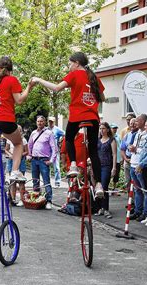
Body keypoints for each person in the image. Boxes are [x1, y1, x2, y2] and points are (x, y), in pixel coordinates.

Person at [32, 52, 105, 197]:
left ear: (77, 63)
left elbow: (56, 88)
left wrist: (39, 80)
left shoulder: (74, 75)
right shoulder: (94, 77)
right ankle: (98, 185)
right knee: (93, 151)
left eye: (70, 63)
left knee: (69, 138)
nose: (69, 66)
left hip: (78, 116)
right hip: (93, 117)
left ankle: (73, 165)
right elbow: (102, 97)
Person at [0, 56, 35, 191]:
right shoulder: (12, 80)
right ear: (11, 69)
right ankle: (15, 170)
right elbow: (20, 100)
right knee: (18, 143)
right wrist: (29, 87)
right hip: (5, 120)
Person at [27, 115, 57, 210]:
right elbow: (29, 145)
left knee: (46, 181)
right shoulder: (33, 133)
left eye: (41, 121)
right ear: (36, 122)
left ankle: (49, 201)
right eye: (38, 121)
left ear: (44, 122)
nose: (39, 123)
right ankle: (36, 199)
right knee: (35, 180)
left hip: (44, 160)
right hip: (34, 160)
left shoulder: (49, 133)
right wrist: (29, 155)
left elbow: (54, 148)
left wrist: (51, 161)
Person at [129, 114, 147, 221]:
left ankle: (145, 212)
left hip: (140, 165)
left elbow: (145, 150)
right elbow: (132, 147)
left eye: (138, 121)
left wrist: (136, 149)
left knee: (144, 190)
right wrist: (131, 148)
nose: (136, 123)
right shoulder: (137, 134)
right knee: (137, 190)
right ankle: (137, 210)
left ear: (144, 121)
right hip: (133, 162)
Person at [95, 122, 117, 218]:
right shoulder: (98, 140)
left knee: (104, 187)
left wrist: (114, 167)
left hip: (106, 166)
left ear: (107, 129)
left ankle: (106, 209)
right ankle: (100, 208)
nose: (101, 130)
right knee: (97, 187)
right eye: (100, 128)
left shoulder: (111, 140)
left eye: (103, 128)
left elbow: (114, 154)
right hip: (97, 166)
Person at [5, 125, 28, 206]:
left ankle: (22, 200)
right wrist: (10, 155)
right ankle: (13, 199)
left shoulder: (23, 140)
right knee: (12, 181)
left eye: (19, 130)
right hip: (11, 160)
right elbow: (6, 149)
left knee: (21, 181)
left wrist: (20, 154)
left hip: (21, 161)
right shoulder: (9, 139)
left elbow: (27, 151)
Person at [120, 118, 138, 193]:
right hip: (127, 160)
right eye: (131, 123)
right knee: (128, 181)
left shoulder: (139, 135)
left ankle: (137, 202)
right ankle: (130, 201)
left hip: (136, 162)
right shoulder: (127, 136)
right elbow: (122, 149)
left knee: (136, 183)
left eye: (134, 123)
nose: (133, 125)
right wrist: (125, 159)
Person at [47, 116, 65, 188]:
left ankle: (57, 183)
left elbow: (65, 134)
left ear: (54, 122)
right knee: (46, 167)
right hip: (47, 151)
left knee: (56, 167)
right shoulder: (46, 129)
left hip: (55, 151)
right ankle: (47, 182)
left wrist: (60, 141)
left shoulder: (57, 129)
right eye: (49, 121)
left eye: (52, 121)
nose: (50, 123)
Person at [110, 123, 122, 193]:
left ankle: (114, 188)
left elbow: (120, 147)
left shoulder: (118, 136)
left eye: (116, 128)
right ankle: (107, 188)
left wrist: (121, 158)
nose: (115, 129)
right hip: (110, 159)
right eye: (113, 128)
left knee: (116, 174)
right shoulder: (108, 137)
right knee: (108, 174)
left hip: (117, 159)